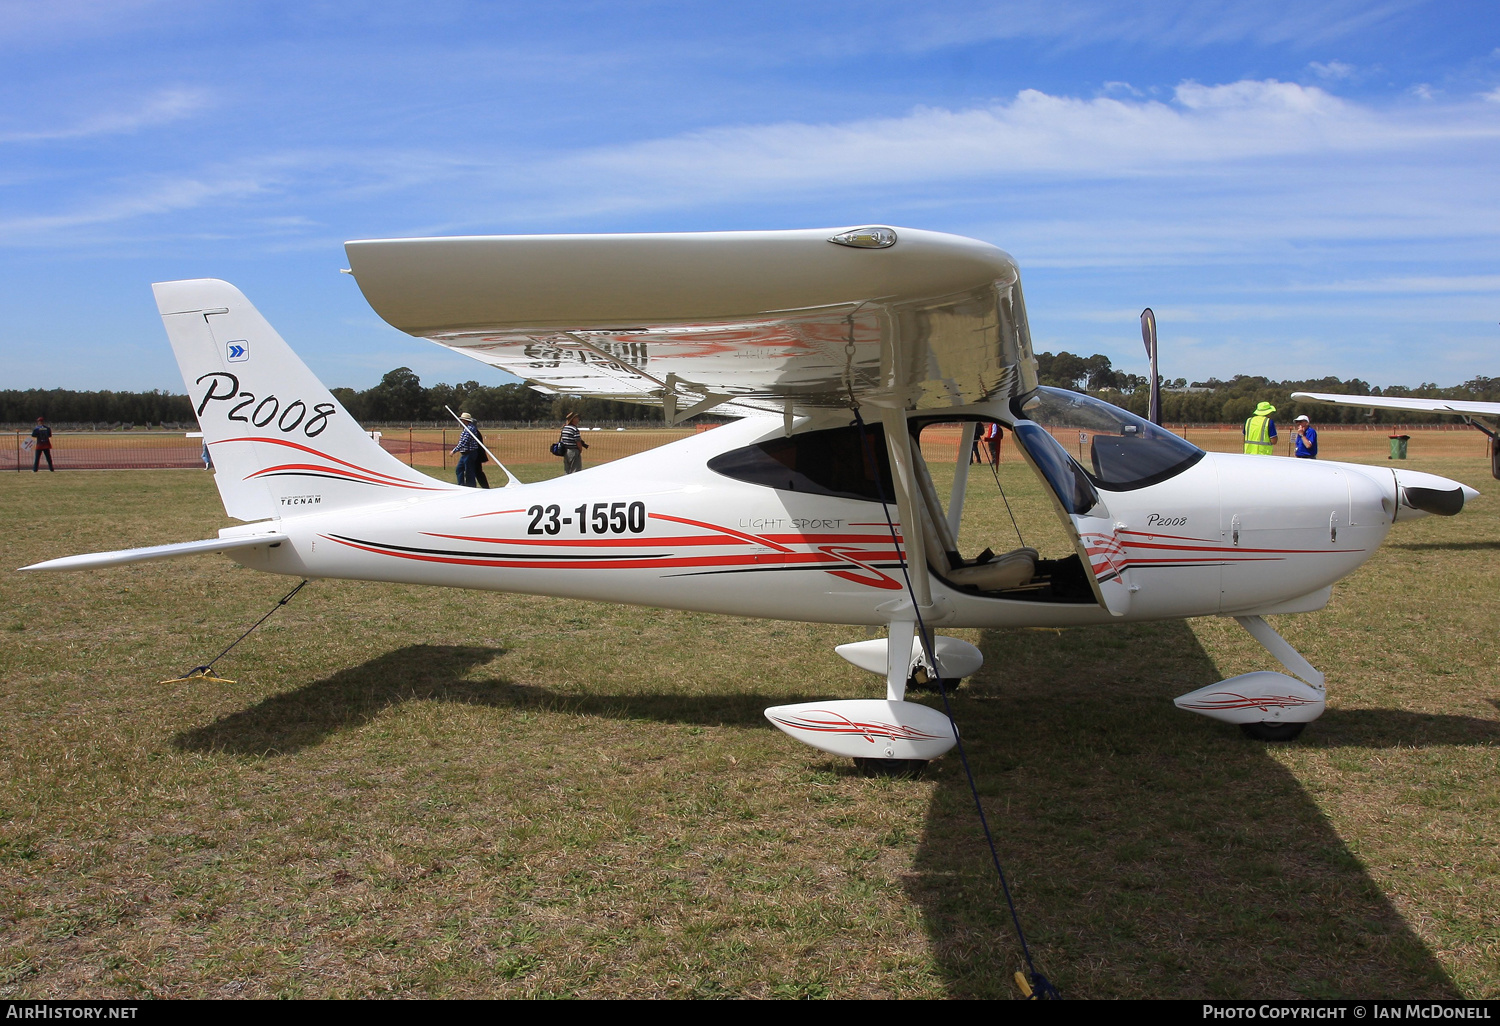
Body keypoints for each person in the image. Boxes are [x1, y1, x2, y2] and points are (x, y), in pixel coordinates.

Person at [451, 412, 482, 486]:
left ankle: (471, 486)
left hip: (470, 453)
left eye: (462, 420)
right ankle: (461, 485)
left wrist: (454, 451)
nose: (461, 421)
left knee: (469, 472)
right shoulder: (466, 428)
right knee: (459, 469)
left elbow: (464, 442)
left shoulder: (470, 429)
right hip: (465, 454)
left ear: (465, 420)